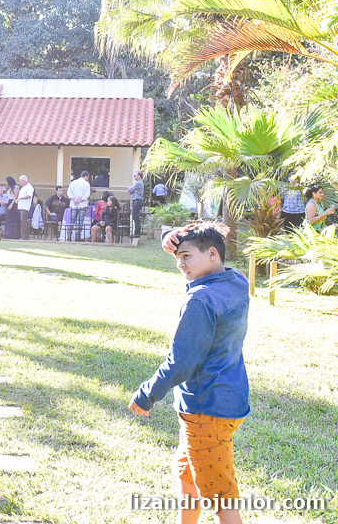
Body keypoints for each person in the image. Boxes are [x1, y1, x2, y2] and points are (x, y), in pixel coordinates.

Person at [130, 224, 249, 524]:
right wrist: (177, 237)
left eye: (186, 256)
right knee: (187, 475)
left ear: (211, 254)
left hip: (205, 407)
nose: (180, 263)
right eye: (177, 257)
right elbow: (206, 241)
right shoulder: (236, 282)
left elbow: (182, 361)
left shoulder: (200, 300)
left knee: (222, 498)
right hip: (227, 400)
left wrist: (146, 395)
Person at [68, 171, 92, 242]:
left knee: (72, 220)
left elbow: (69, 192)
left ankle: (69, 234)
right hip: (82, 204)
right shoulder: (86, 184)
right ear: (86, 176)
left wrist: (74, 200)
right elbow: (87, 195)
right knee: (80, 221)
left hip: (73, 204)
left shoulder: (73, 183)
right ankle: (78, 235)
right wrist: (80, 200)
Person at [127, 171, 145, 240]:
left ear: (139, 176)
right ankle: (136, 232)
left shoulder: (138, 183)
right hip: (136, 201)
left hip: (137, 201)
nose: (134, 177)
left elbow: (129, 190)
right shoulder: (139, 183)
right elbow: (130, 190)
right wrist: (133, 191)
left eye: (135, 175)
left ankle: (137, 233)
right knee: (135, 217)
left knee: (136, 218)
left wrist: (133, 191)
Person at [16, 175, 35, 241]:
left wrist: (20, 198)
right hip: (20, 206)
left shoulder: (29, 187)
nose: (20, 182)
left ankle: (24, 236)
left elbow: (29, 196)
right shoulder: (23, 187)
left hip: (25, 207)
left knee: (23, 221)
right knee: (21, 221)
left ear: (23, 180)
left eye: (20, 181)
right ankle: (22, 235)